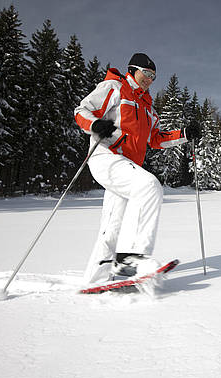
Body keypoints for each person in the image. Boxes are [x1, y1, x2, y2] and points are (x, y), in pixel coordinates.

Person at [74, 53, 200, 284]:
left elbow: (155, 139)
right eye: (147, 73)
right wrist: (95, 124)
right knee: (149, 186)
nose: (150, 79)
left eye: (154, 76)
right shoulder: (115, 87)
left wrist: (183, 135)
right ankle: (131, 259)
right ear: (133, 70)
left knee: (112, 226)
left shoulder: (148, 107)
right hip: (107, 156)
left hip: (127, 166)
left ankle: (96, 278)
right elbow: (81, 110)